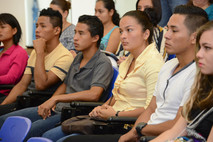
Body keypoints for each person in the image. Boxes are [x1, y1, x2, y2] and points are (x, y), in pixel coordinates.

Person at [63, 5, 209, 142]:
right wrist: (132, 133)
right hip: (139, 129)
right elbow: (151, 108)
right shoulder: (168, 66)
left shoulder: (195, 74)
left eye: (174, 30)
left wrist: (138, 129)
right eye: (168, 29)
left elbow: (178, 126)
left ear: (194, 37)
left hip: (151, 133)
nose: (166, 35)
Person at [44, 10, 165, 142]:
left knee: (66, 140)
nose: (123, 36)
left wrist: (116, 114)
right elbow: (116, 95)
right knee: (50, 136)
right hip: (111, 119)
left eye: (129, 30)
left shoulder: (154, 63)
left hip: (128, 125)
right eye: (121, 31)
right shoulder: (128, 60)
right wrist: (101, 108)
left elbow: (151, 109)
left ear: (146, 34)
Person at [0, 14, 113, 140]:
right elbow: (65, 84)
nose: (75, 38)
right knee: (5, 120)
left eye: (81, 34)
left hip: (76, 111)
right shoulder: (78, 58)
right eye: (75, 32)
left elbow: (94, 94)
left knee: (30, 131)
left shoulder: (102, 62)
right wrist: (51, 101)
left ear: (95, 38)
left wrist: (57, 99)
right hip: (60, 107)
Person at [0, 8, 73, 115]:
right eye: (36, 26)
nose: (37, 30)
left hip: (40, 104)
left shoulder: (65, 56)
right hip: (25, 99)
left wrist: (40, 53)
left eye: (43, 26)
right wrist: (4, 105)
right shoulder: (36, 51)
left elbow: (40, 85)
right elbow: (22, 84)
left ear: (56, 30)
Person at [151, 21, 213, 142]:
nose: (199, 54)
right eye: (199, 47)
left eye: (207, 48)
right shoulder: (203, 86)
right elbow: (175, 132)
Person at [0, 13, 28, 99]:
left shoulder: (20, 53)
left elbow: (11, 78)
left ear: (14, 31)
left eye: (3, 27)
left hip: (5, 95)